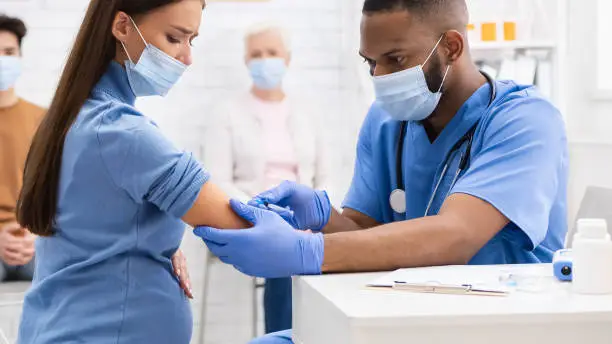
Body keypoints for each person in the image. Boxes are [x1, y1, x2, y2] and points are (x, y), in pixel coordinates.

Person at [194, 0, 569, 342]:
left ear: (451, 47)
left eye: (396, 59)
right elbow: (366, 233)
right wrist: (323, 218)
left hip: (494, 326)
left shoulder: (525, 120)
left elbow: (456, 235)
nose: (381, 76)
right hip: (402, 317)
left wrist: (309, 250)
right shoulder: (386, 121)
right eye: (370, 62)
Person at [16, 1, 250, 343]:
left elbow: (99, 230)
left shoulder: (73, 119)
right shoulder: (122, 134)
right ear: (123, 27)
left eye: (192, 41)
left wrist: (159, 243)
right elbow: (241, 225)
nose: (187, 58)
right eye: (174, 38)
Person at [203, 22, 332, 334]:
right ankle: (286, 335)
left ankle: (315, 334)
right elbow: (217, 179)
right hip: (253, 211)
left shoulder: (307, 111)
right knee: (284, 247)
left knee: (326, 245)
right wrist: (261, 209)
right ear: (246, 62)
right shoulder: (227, 113)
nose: (264, 60)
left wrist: (318, 211)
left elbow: (325, 175)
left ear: (287, 58)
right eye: (256, 54)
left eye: (271, 52)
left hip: (304, 215)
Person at [0, 14, 43, 283]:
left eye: (8, 52)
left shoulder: (45, 121)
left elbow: (62, 194)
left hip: (35, 243)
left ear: (20, 56)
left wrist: (37, 237)